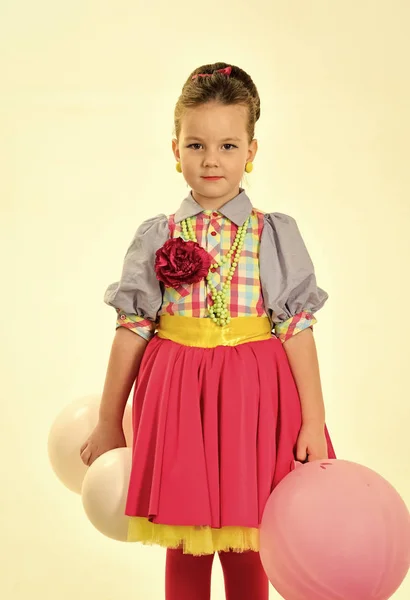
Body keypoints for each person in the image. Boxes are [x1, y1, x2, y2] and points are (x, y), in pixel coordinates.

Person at [80, 62, 336, 600]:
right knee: (186, 537)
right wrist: (109, 420)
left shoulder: (273, 233)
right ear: (175, 150)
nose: (211, 160)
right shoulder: (159, 235)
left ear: (251, 151)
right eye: (196, 145)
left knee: (249, 537)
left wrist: (313, 422)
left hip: (253, 394)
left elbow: (296, 329)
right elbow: (132, 330)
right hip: (178, 393)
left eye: (227, 145)